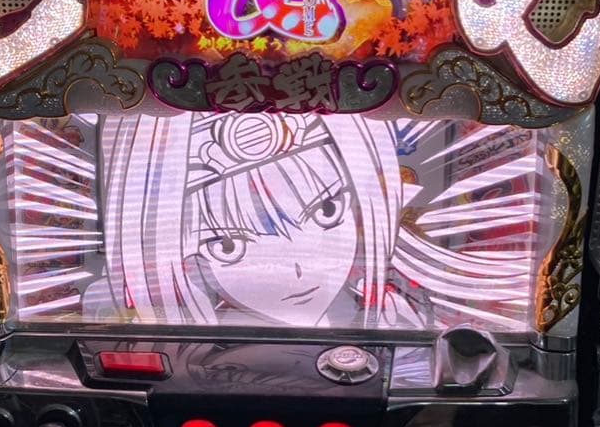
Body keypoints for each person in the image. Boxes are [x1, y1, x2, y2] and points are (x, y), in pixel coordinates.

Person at [87, 110, 535, 332]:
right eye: (228, 245)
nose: (298, 269)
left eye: (326, 211)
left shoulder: (399, 320)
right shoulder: (144, 328)